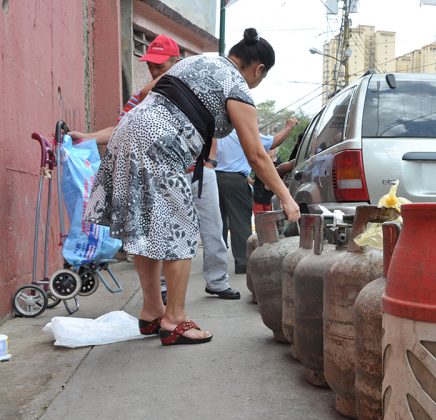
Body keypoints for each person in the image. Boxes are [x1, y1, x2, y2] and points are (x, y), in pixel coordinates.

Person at [83, 28, 300, 346]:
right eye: (261, 78)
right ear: (259, 69)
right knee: (181, 232)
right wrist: (286, 197)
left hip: (129, 131)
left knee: (146, 228)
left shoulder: (195, 62)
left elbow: (146, 93)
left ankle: (152, 311)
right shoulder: (236, 87)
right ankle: (174, 320)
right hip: (161, 144)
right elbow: (256, 154)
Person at [71, 35, 240, 302]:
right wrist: (87, 137)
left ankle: (217, 282)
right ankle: (163, 298)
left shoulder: (198, 87)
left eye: (161, 64)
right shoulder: (143, 97)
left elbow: (214, 128)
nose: (154, 69)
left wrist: (210, 161)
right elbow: (122, 128)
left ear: (178, 61)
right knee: (159, 233)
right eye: (151, 64)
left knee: (211, 230)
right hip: (161, 174)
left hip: (198, 170)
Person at [215, 118, 297, 274]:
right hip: (235, 180)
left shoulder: (217, 133)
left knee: (217, 224)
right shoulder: (242, 131)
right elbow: (273, 142)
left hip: (214, 178)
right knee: (239, 222)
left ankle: (215, 268)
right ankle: (244, 263)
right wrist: (289, 127)